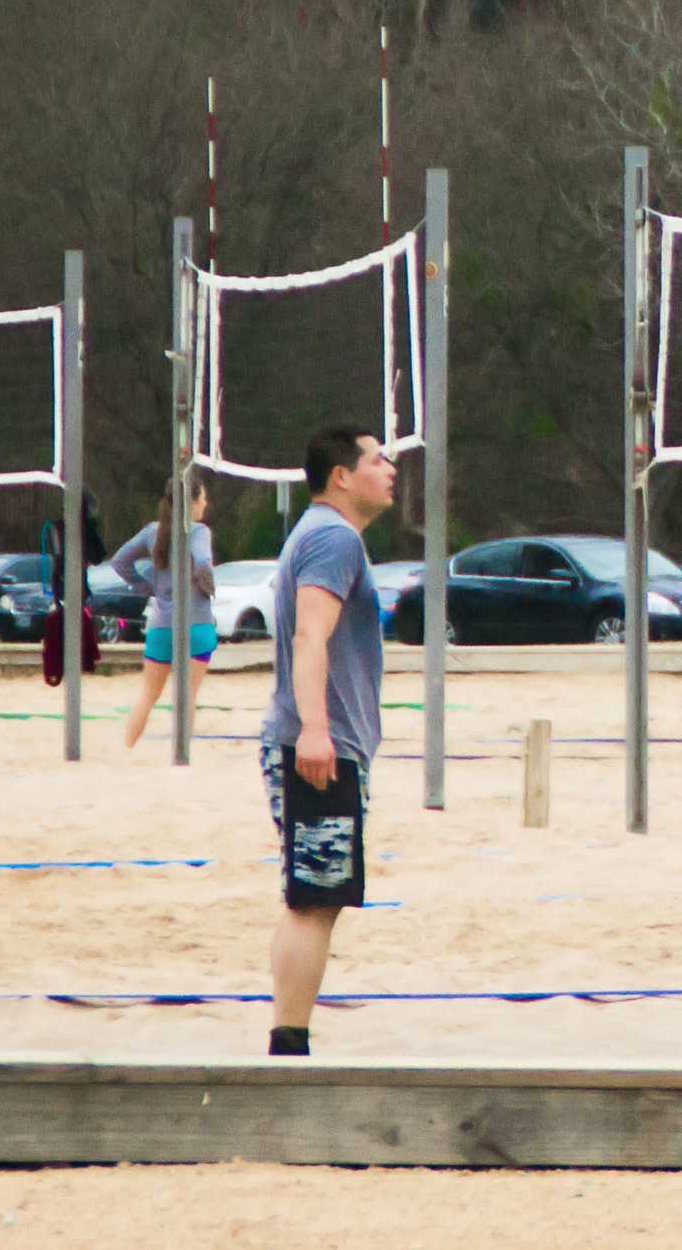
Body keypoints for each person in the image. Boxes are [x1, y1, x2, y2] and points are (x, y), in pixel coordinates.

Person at [261, 426, 397, 1056]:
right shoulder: (333, 538)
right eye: (377, 459)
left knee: (314, 896)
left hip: (322, 739)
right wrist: (316, 731)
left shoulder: (324, 536)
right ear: (342, 476)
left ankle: (289, 1037)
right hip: (319, 744)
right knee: (313, 900)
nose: (390, 467)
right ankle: (288, 1047)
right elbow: (309, 636)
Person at [109, 476, 219, 748]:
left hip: (162, 624)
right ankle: (182, 755)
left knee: (148, 694)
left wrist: (145, 587)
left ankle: (126, 748)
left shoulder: (153, 531)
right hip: (196, 624)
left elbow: (119, 561)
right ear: (193, 501)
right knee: (188, 696)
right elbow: (203, 559)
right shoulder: (199, 531)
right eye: (203, 497)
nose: (206, 502)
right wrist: (206, 581)